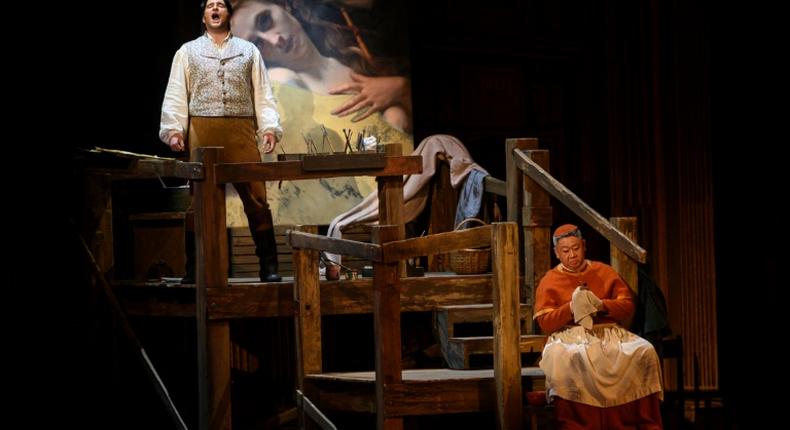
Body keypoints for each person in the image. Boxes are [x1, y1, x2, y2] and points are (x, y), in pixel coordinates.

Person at [159, 0, 284, 282]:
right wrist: (174, 130)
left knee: (256, 198)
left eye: (220, 5)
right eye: (209, 6)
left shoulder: (248, 50)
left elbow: (263, 93)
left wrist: (268, 128)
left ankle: (269, 265)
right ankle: (195, 269)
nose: (215, 9)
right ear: (203, 16)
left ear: (228, 14)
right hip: (203, 132)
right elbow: (177, 92)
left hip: (240, 130)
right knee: (198, 202)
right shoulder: (187, 52)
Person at [534, 224, 663, 429]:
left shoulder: (603, 271)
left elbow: (627, 305)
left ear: (584, 246)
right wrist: (571, 308)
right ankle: (577, 422)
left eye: (576, 248)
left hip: (608, 332)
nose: (572, 255)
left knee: (643, 350)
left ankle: (639, 420)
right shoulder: (550, 280)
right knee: (566, 356)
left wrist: (602, 304)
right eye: (565, 251)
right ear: (557, 253)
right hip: (570, 334)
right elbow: (545, 322)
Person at [231, 0, 412, 133]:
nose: (275, 40)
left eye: (265, 21)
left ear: (284, 6)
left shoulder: (353, 52)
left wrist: (401, 89)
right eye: (257, 44)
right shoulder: (283, 83)